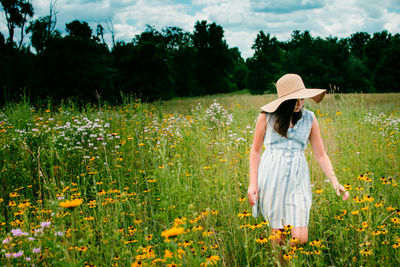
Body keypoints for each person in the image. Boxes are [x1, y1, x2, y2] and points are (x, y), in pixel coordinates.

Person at [247, 73, 349, 246]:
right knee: (278, 236)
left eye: (302, 98)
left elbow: (321, 154)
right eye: (294, 99)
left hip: (298, 178)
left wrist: (335, 181)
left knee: (300, 238)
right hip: (272, 177)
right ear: (283, 100)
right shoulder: (267, 117)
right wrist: (253, 184)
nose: (299, 103)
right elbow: (255, 152)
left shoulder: (309, 118)